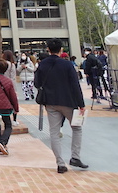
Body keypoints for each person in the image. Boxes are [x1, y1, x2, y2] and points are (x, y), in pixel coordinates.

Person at [35, 38, 88, 174]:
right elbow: (75, 85)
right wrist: (81, 104)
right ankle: (75, 157)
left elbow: (37, 83)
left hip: (50, 102)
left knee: (54, 132)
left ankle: (60, 163)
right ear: (61, 49)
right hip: (68, 101)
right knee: (77, 128)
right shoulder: (67, 65)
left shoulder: (42, 64)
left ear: (48, 49)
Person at [2, 50, 19, 125]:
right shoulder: (12, 65)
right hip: (10, 85)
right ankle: (14, 120)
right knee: (13, 102)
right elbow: (13, 77)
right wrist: (15, 89)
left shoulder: (2, 64)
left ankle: (5, 118)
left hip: (2, 85)